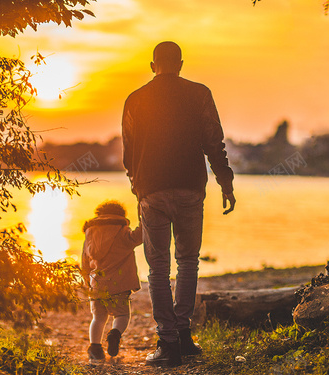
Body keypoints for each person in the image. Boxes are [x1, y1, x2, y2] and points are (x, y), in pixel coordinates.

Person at [122, 41, 236, 367]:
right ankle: (183, 336)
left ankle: (168, 342)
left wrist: (137, 186)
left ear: (152, 65)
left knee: (158, 268)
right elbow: (214, 141)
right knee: (188, 261)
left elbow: (129, 150)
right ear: (181, 64)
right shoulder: (199, 93)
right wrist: (225, 182)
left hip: (151, 191)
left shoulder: (135, 98)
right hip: (189, 188)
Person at [80, 200, 143, 364]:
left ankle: (95, 349)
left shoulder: (90, 233)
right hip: (119, 285)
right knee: (121, 314)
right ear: (121, 216)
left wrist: (87, 282)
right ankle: (114, 334)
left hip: (96, 285)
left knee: (98, 318)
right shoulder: (122, 231)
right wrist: (144, 216)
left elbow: (84, 261)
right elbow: (140, 236)